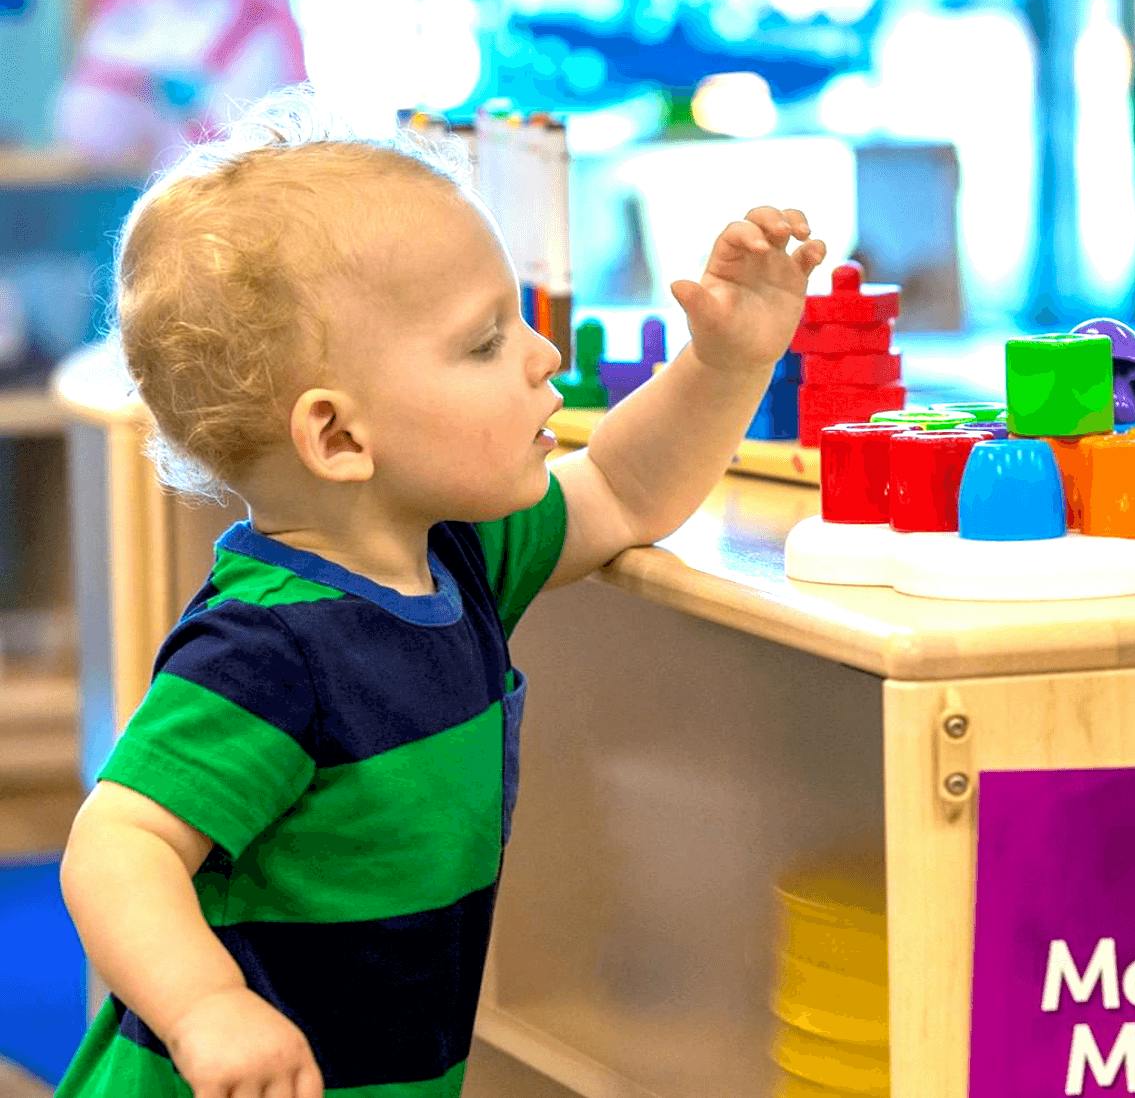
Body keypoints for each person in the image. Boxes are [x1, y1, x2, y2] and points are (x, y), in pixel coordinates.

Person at [54, 87, 826, 1098]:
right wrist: (208, 1007)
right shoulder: (266, 651)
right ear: (337, 437)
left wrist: (728, 359)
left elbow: (629, 489)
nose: (542, 356)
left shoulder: (459, 562)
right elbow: (118, 843)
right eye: (484, 342)